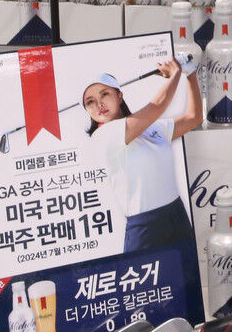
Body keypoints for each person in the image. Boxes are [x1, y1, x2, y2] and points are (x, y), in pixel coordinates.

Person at [84, 57, 202, 251]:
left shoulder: (152, 127)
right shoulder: (103, 136)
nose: (99, 104)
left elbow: (193, 118)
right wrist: (176, 73)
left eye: (104, 94)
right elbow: (159, 104)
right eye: (90, 101)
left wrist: (190, 75)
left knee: (187, 271)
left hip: (176, 215)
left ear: (119, 95)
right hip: (145, 228)